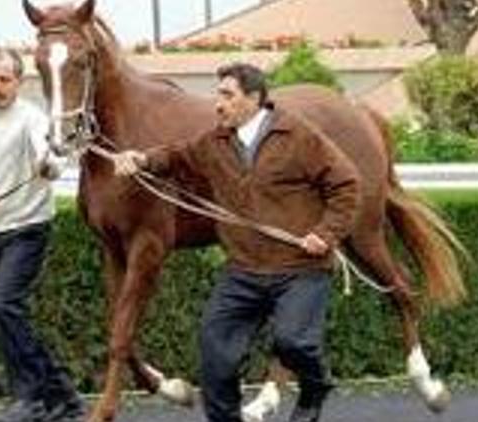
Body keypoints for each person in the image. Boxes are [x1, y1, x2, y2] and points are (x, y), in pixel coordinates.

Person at [113, 63, 361, 422]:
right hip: (244, 270)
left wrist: (325, 234)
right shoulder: (215, 142)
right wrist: (142, 159)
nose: (218, 104)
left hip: (300, 268)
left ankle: (315, 385)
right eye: (218, 95)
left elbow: (347, 185)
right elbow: (176, 156)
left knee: (294, 343)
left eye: (227, 95)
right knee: (216, 354)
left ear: (254, 99)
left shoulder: (298, 136)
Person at [0, 48, 85, 422]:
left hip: (26, 228)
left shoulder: (33, 119)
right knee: (4, 316)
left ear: (19, 82)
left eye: (4, 79)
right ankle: (64, 395)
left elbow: (53, 161)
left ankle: (29, 400)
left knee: (4, 304)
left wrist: (48, 164)